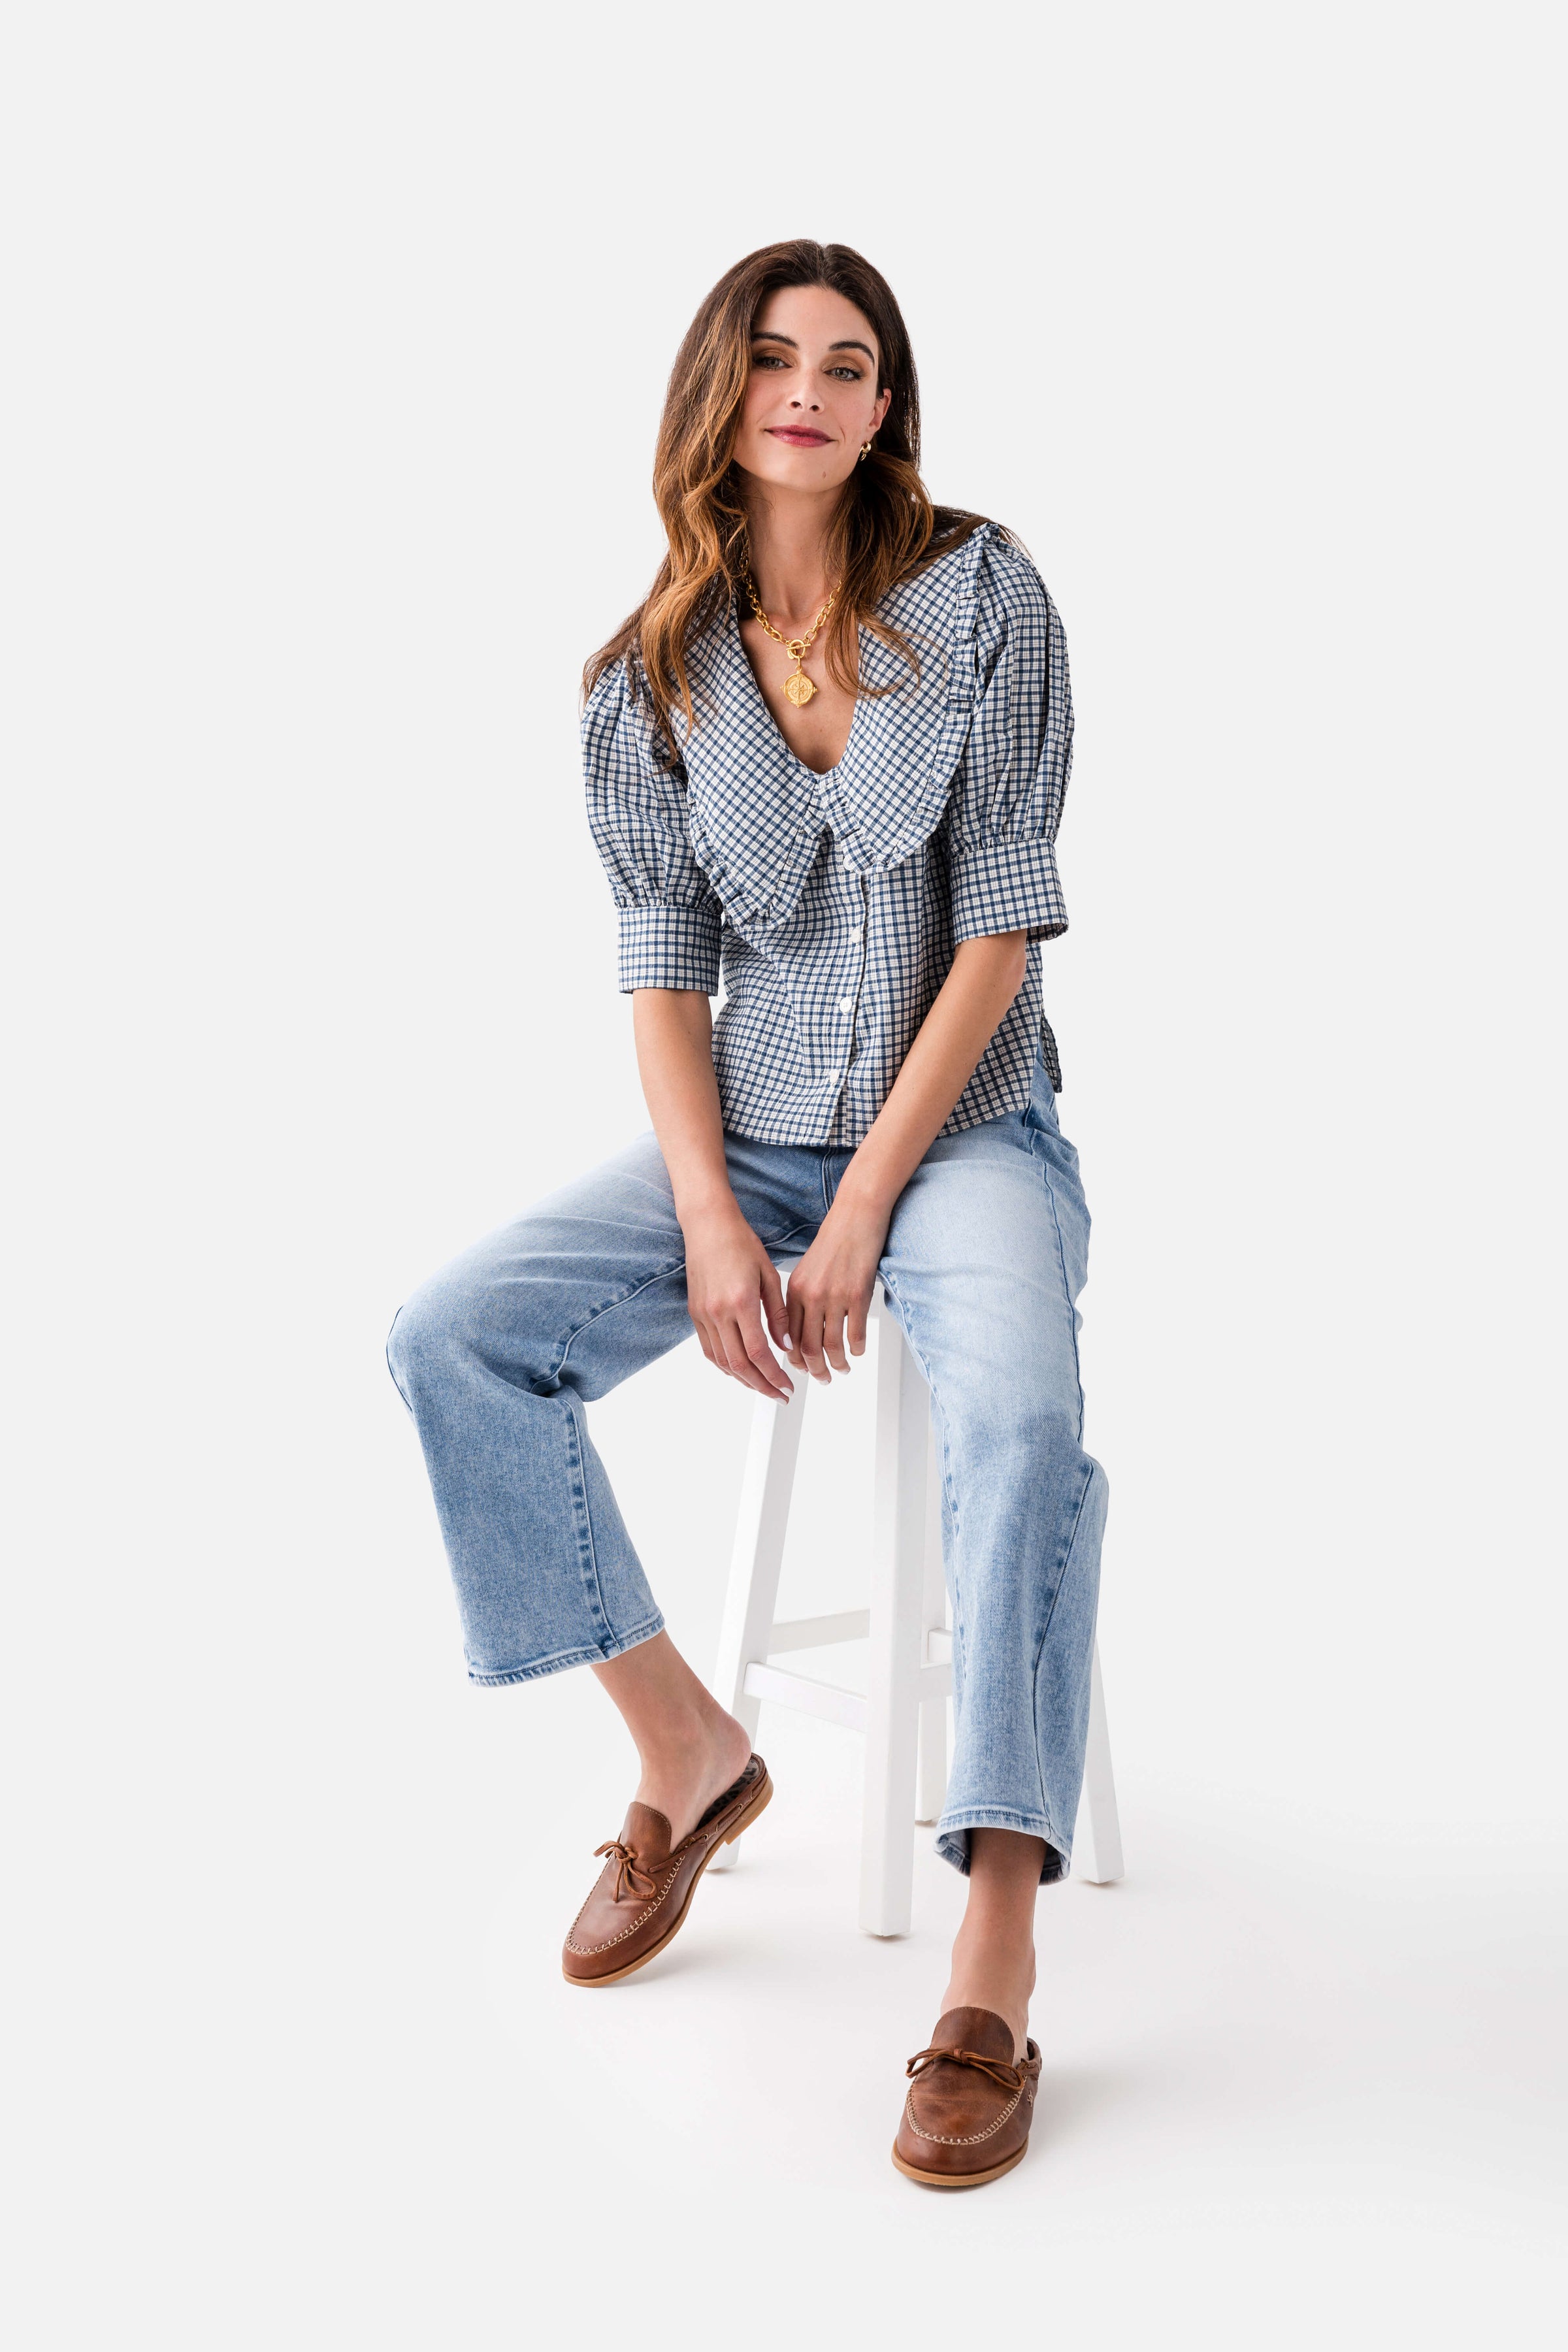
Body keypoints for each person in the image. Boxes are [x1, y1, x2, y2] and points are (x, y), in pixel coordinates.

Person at [386, 239, 1108, 2190]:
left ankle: (995, 1953)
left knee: (1025, 1430)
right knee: (454, 1341)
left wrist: (866, 1200)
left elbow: (1001, 924)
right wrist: (716, 1215)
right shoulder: (648, 675)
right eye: (777, 356)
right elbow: (664, 965)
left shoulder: (985, 597)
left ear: (887, 407)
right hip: (754, 1140)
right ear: (722, 391)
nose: (811, 389)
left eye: (850, 363)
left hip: (964, 1137)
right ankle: (688, 1753)